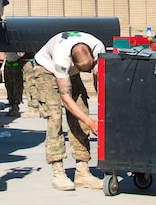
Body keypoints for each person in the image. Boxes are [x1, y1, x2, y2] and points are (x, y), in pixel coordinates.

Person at [27, 31, 107, 191]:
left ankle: (82, 172)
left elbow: (98, 77)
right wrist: (91, 122)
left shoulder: (98, 47)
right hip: (46, 71)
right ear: (73, 62)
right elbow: (66, 98)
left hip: (72, 71)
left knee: (82, 110)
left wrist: (103, 107)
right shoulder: (61, 58)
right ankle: (58, 173)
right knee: (55, 117)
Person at [0, 51, 31, 116]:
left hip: (16, 66)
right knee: (8, 86)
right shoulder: (6, 43)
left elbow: (22, 55)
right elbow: (2, 53)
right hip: (8, 66)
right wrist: (0, 67)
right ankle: (11, 104)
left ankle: (15, 106)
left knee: (17, 87)